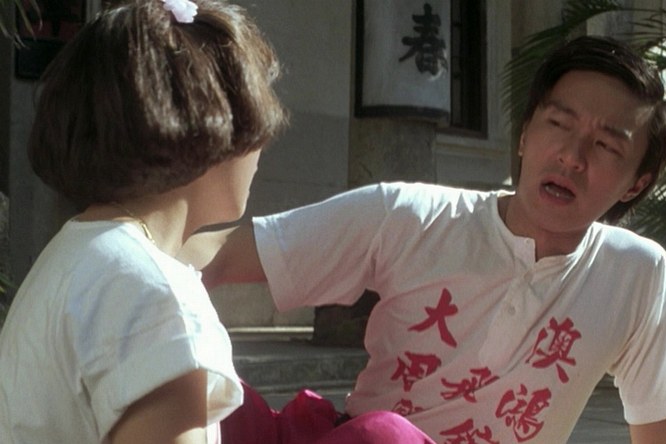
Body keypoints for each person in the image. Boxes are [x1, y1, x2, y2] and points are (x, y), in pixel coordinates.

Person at [183, 36, 666, 443]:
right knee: (194, 389)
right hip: (353, 438)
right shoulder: (410, 216)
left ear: (637, 183)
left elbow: (659, 433)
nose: (571, 156)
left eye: (605, 146)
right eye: (559, 124)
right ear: (525, 134)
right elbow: (214, 257)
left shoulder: (639, 276)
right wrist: (134, 264)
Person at [0, 1, 434, 443]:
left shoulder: (74, 256)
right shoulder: (154, 294)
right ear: (210, 130)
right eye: (256, 126)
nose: (260, 153)